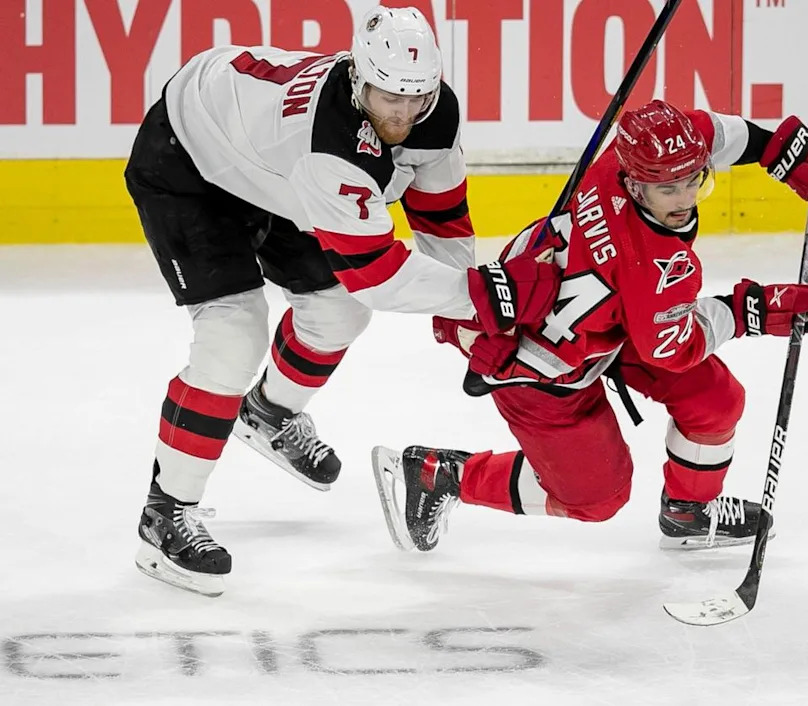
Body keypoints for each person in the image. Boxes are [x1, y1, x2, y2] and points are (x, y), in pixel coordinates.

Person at [124, 5, 559, 596]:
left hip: (270, 165)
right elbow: (378, 274)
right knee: (234, 336)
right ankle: (163, 514)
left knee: (336, 313)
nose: (403, 116)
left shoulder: (434, 113)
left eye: (416, 98)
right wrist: (483, 299)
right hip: (190, 159)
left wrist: (475, 327)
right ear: (358, 79)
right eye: (388, 98)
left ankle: (268, 413)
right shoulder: (327, 144)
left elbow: (444, 231)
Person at [373, 100, 808, 554]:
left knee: (714, 399)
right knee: (596, 499)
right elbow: (673, 348)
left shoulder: (620, 163)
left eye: (693, 181)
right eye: (668, 189)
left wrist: (777, 148)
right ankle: (439, 475)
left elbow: (702, 132)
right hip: (541, 374)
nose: (684, 199)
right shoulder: (656, 268)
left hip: (602, 324)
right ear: (637, 185)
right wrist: (752, 311)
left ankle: (688, 513)